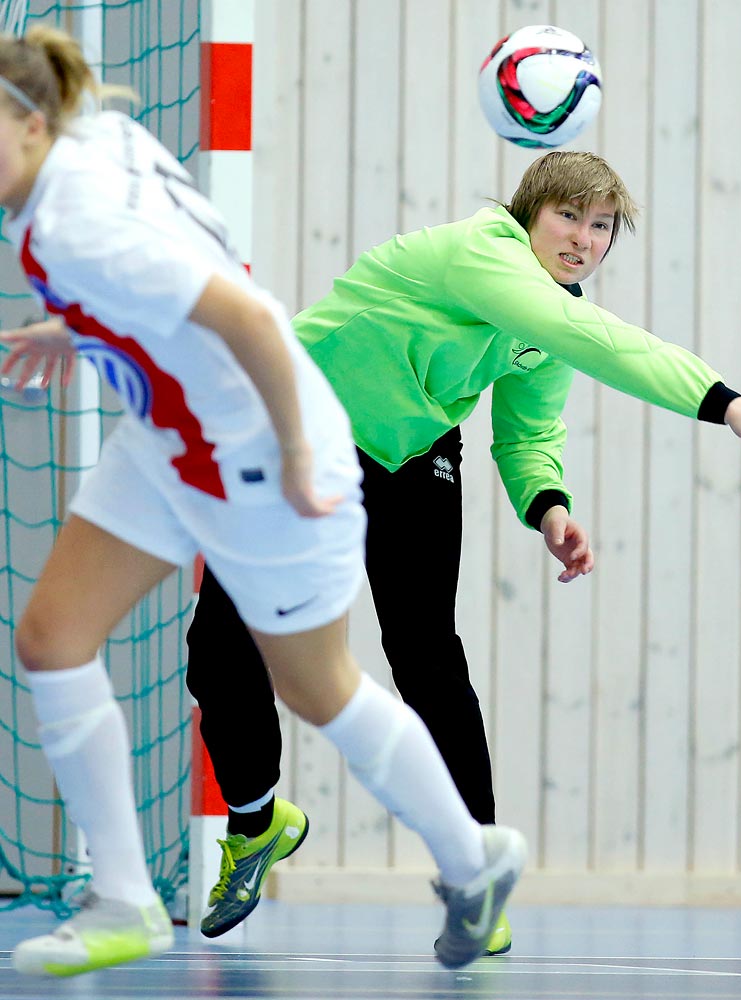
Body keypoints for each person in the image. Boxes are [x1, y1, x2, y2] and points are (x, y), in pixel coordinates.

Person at [185, 150, 741, 951]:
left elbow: (529, 430)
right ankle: (254, 822)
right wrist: (731, 407)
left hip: (412, 457)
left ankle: (474, 875)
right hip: (295, 431)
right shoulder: (477, 253)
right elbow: (597, 340)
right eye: (568, 217)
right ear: (528, 215)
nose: (583, 240)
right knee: (219, 648)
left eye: (600, 228)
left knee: (427, 659)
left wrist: (548, 504)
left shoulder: (541, 322)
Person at [0, 26, 524, 978]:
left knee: (317, 687)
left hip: (254, 449)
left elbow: (246, 316)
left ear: (30, 122)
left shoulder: (74, 218)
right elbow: (169, 275)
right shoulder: (94, 147)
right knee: (52, 638)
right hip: (169, 432)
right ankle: (123, 900)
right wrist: (69, 327)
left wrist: (295, 452)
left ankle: (473, 857)